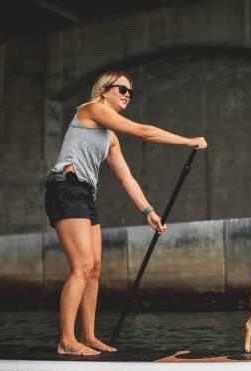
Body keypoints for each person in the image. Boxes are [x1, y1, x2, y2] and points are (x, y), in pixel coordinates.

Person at [45, 70, 207, 355]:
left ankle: (89, 336)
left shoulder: (110, 137)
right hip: (65, 188)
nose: (127, 95)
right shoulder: (91, 109)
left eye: (130, 92)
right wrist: (186, 141)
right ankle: (66, 341)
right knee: (82, 267)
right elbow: (143, 132)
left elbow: (126, 177)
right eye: (122, 89)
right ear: (105, 90)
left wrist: (148, 211)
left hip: (85, 195)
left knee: (94, 270)